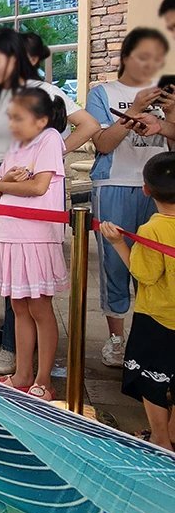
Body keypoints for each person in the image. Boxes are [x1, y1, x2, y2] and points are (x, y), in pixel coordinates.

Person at [0, 28, 99, 371]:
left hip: (24, 184)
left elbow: (89, 124)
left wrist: (49, 156)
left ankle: (13, 348)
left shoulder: (42, 91)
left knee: (19, 269)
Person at [86, 28, 172, 365]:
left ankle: (152, 334)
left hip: (162, 188)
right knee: (114, 263)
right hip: (114, 184)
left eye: (156, 57)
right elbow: (103, 143)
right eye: (143, 55)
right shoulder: (103, 93)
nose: (150, 63)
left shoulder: (166, 95)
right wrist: (135, 109)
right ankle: (116, 339)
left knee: (159, 264)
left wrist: (166, 119)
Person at [0, 88, 69, 400]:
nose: (12, 124)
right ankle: (22, 373)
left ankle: (44, 379)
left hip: (36, 234)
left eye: (18, 118)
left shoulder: (48, 138)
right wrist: (1, 183)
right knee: (18, 306)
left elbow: (38, 186)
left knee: (39, 307)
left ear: (42, 119)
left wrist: (1, 183)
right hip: (9, 231)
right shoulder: (16, 144)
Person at [100, 152, 175, 451]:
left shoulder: (152, 229)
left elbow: (144, 273)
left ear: (146, 189)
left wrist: (118, 243)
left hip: (156, 319)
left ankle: (160, 440)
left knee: (151, 379)